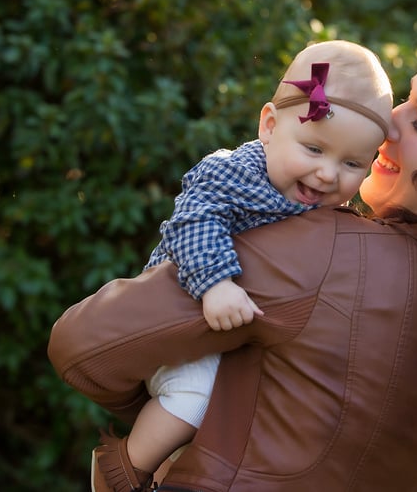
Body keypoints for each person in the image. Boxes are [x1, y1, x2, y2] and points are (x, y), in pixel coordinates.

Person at [48, 32, 417, 491]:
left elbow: (82, 346)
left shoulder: (316, 250)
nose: (388, 125)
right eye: (403, 101)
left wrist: (187, 417)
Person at [90, 40, 393, 491]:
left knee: (217, 438)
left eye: (351, 163)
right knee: (196, 401)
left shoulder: (325, 207)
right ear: (269, 125)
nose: (329, 175)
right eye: (313, 149)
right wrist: (216, 285)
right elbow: (192, 222)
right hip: (180, 325)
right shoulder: (232, 173)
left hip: (233, 343)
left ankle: (161, 477)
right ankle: (118, 470)